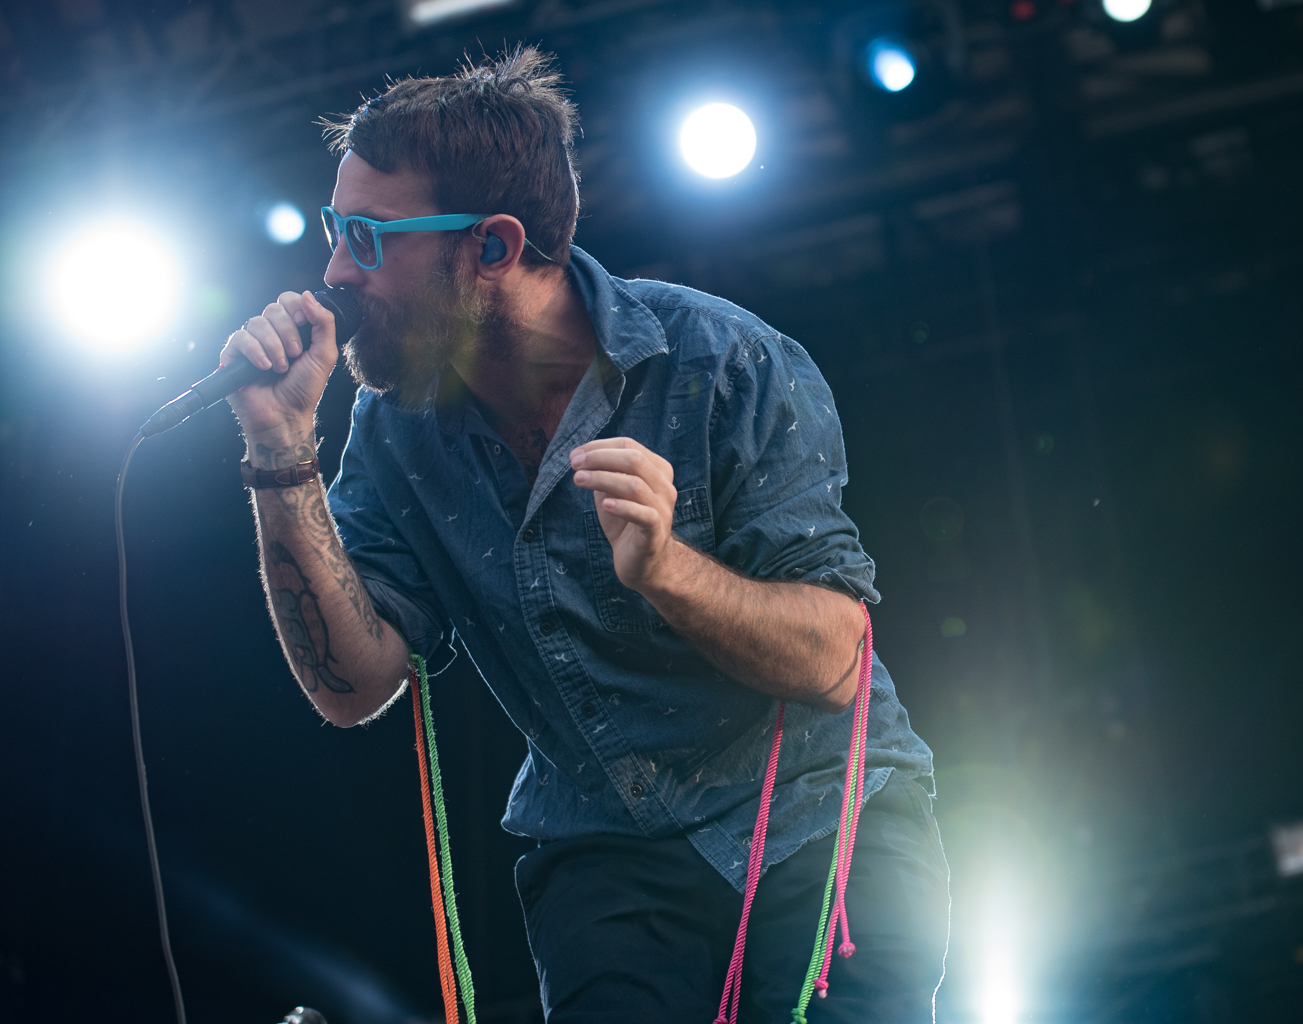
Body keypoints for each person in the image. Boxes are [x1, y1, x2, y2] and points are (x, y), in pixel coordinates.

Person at [221, 46, 948, 1024]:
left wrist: (668, 572)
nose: (335, 272)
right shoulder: (395, 431)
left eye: (367, 237)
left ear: (493, 247)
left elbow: (834, 661)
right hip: (607, 852)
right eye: (333, 229)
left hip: (818, 817)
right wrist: (279, 451)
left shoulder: (723, 360)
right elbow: (349, 688)